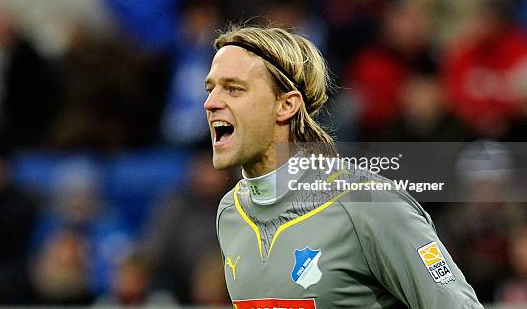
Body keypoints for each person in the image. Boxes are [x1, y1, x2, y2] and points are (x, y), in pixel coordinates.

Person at [205, 26, 483, 308]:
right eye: (210, 88)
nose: (211, 102)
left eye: (234, 89)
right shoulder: (231, 212)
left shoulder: (370, 204)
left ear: (286, 105)